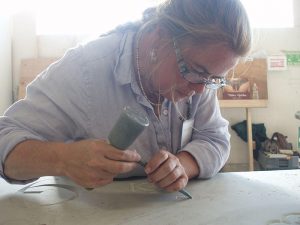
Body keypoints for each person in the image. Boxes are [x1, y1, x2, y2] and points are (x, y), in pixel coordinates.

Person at [0, 0, 251, 193]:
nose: (199, 90)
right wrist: (64, 159)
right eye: (196, 72)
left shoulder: (199, 80)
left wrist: (182, 165)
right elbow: (4, 140)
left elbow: (215, 138)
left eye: (213, 80)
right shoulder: (84, 72)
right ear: (160, 37)